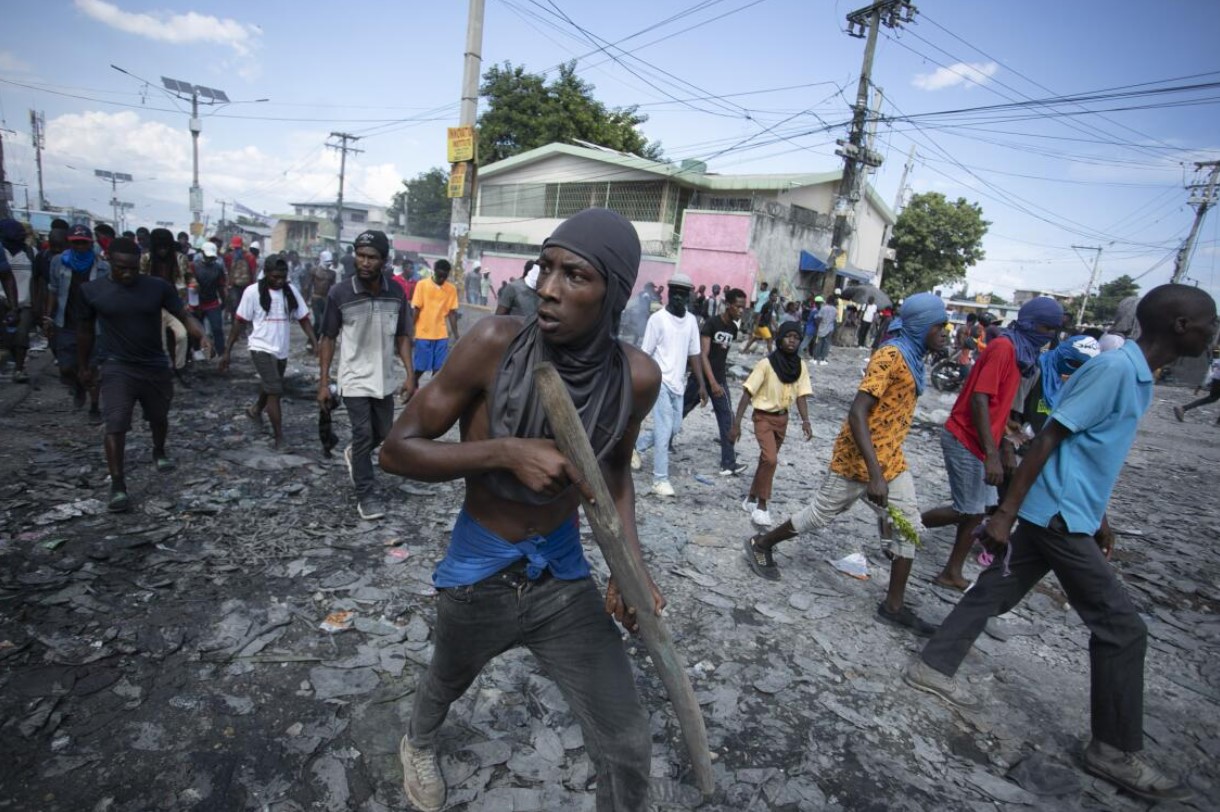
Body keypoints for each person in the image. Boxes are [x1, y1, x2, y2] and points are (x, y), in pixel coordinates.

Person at [379, 208, 662, 812]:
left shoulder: (636, 377)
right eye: (546, 268)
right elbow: (396, 451)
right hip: (480, 568)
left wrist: (628, 567)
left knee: (627, 739)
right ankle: (418, 742)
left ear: (612, 293)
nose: (549, 289)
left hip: (561, 573)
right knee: (447, 678)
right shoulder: (492, 344)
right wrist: (504, 452)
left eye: (575, 276)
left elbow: (613, 470)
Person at [905, 284, 1216, 803]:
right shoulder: (1115, 370)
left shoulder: (1136, 375)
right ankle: (1112, 749)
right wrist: (1004, 514)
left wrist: (1101, 515)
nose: (1215, 331)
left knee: (996, 588)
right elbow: (1049, 438)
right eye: (1211, 321)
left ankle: (931, 664)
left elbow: (1089, 452)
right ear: (1181, 325)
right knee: (1122, 629)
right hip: (1057, 517)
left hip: (1071, 511)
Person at [743, 294, 950, 637]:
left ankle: (893, 607)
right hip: (859, 458)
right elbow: (857, 413)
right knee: (821, 514)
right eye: (939, 326)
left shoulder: (913, 358)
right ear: (920, 326)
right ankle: (761, 544)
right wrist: (875, 475)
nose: (945, 332)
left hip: (892, 459)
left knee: (909, 525)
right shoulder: (890, 356)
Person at [922, 297, 1065, 591]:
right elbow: (979, 399)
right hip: (965, 436)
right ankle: (903, 523)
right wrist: (992, 454)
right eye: (1045, 327)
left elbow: (1000, 408)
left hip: (982, 440)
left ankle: (952, 571)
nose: (1049, 335)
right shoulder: (1004, 348)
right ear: (1029, 322)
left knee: (979, 510)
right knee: (967, 509)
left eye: (1054, 329)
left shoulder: (1023, 356)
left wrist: (1007, 442)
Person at [74, 237, 209, 512]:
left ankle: (158, 450)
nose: (128, 274)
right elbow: (85, 330)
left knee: (159, 417)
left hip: (154, 365)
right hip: (117, 365)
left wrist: (199, 331)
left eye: (134, 268)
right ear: (108, 261)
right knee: (116, 423)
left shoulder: (157, 287)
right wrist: (84, 365)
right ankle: (118, 485)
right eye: (122, 268)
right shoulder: (92, 291)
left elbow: (182, 313)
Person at [317, 230, 415, 520]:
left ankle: (354, 455)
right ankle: (366, 495)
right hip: (354, 377)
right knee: (363, 433)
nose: (365, 262)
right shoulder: (340, 293)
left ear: (384, 261)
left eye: (372, 257)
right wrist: (324, 382)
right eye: (360, 256)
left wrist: (411, 375)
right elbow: (328, 338)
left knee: (383, 434)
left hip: (383, 377)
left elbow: (402, 336)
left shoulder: (396, 293)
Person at [221, 254, 317, 449]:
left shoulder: (290, 292)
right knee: (275, 390)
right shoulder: (252, 292)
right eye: (275, 277)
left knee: (271, 385)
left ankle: (255, 410)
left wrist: (313, 340)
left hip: (280, 349)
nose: (279, 281)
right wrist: (227, 352)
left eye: (282, 277)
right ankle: (279, 438)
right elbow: (239, 321)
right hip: (260, 347)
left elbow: (303, 318)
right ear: (266, 274)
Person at [732, 320, 813, 527]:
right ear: (780, 338)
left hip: (782, 419)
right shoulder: (766, 364)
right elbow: (747, 393)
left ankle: (750, 498)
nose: (792, 341)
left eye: (796, 338)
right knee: (771, 459)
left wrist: (806, 421)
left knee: (766, 461)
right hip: (763, 417)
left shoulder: (799, 366)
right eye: (788, 337)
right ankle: (762, 506)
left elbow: (802, 395)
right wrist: (737, 423)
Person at [632, 272, 706, 497]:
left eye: (683, 294)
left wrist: (701, 384)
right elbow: (646, 354)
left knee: (674, 429)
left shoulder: (691, 321)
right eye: (675, 293)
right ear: (669, 294)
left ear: (689, 297)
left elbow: (695, 354)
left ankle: (636, 446)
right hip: (660, 382)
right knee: (664, 432)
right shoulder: (658, 320)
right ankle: (660, 480)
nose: (678, 298)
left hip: (679, 384)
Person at [45, 225, 111, 415]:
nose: (80, 247)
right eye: (76, 243)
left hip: (93, 326)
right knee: (66, 367)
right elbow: (53, 290)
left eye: (83, 243)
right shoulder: (58, 262)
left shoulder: (102, 267)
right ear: (70, 243)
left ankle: (94, 406)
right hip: (66, 322)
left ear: (90, 244)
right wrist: (48, 316)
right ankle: (79, 386)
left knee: (93, 366)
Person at [682, 287, 747, 476]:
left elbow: (721, 357)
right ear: (728, 305)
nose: (741, 311)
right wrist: (711, 383)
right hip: (700, 380)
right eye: (738, 307)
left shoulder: (733, 329)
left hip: (719, 380)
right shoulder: (711, 324)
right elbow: (703, 356)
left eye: (743, 308)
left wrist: (718, 382)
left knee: (727, 419)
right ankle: (652, 444)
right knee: (680, 413)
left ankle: (728, 463)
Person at [140, 228, 193, 376]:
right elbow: (140, 279)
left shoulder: (180, 259)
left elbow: (189, 276)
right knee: (161, 341)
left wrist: (194, 285)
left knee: (182, 336)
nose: (162, 251)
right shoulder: (146, 259)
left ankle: (179, 366)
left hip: (175, 304)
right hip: (153, 305)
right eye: (159, 247)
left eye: (165, 247)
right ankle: (164, 368)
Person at [411, 259, 460, 385]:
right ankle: (412, 385)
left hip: (441, 334)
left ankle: (431, 394)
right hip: (423, 333)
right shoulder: (422, 285)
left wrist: (456, 335)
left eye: (445, 276)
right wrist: (410, 329)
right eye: (440, 275)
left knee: (438, 369)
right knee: (420, 367)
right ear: (434, 271)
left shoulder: (451, 289)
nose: (442, 279)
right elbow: (416, 309)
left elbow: (452, 313)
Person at [0, 219, 36, 382]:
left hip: (25, 303)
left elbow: (37, 280)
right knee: (6, 339)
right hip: (2, 302)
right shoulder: (2, 252)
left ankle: (19, 369)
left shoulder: (30, 253)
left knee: (21, 337)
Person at [192, 242, 227, 355]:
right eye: (207, 256)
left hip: (212, 302)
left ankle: (221, 353)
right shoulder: (194, 266)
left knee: (217, 329)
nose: (209, 259)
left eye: (211, 257)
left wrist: (225, 301)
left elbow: (221, 286)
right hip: (197, 303)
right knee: (196, 331)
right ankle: (197, 353)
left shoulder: (218, 268)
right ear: (202, 253)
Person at [1173, 345, 1220, 424]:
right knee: (1211, 398)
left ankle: (1183, 408)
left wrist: (1200, 385)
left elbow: (1211, 372)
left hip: (1216, 379)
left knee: (1211, 398)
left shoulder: (1216, 360)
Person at [224, 236, 256, 323]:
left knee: (237, 306)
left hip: (237, 285)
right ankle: (239, 325)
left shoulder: (230, 256)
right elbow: (253, 272)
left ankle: (237, 324)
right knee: (241, 306)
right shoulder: (250, 256)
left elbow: (228, 270)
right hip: (243, 285)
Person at [305, 251, 339, 331]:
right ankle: (312, 340)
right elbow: (307, 286)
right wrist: (305, 300)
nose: (329, 264)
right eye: (327, 262)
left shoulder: (332, 273)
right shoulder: (314, 270)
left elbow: (333, 288)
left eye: (330, 262)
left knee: (325, 322)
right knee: (318, 321)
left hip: (326, 299)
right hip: (316, 298)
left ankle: (319, 340)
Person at [742, 288, 775, 355]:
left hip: (763, 325)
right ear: (770, 297)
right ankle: (771, 355)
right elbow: (760, 315)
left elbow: (770, 317)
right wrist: (757, 325)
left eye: (776, 296)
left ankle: (744, 350)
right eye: (774, 296)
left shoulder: (771, 305)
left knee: (753, 339)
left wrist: (773, 325)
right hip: (762, 325)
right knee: (769, 339)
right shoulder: (767, 304)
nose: (775, 298)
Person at [813, 295, 837, 365]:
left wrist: (817, 326)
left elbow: (818, 318)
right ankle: (823, 359)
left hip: (822, 327)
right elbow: (834, 321)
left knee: (819, 343)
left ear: (827, 300)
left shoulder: (823, 308)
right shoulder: (835, 310)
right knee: (826, 344)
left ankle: (815, 359)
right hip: (830, 329)